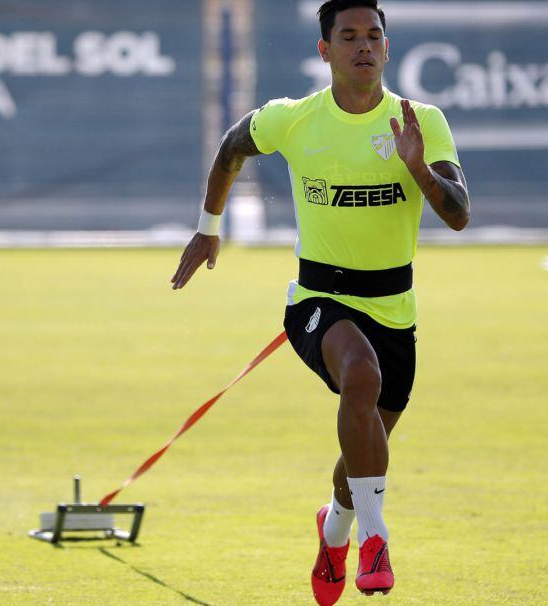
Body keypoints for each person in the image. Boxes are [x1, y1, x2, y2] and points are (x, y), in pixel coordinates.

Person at [170, 1, 470, 603]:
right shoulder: (293, 119)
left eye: (374, 35)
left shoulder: (421, 122)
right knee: (360, 379)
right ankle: (375, 538)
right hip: (318, 297)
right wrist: (208, 224)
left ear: (387, 47)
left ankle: (335, 529)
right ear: (325, 50)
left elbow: (459, 214)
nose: (364, 46)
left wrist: (420, 170)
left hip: (394, 308)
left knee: (361, 447)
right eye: (349, 36)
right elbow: (231, 147)